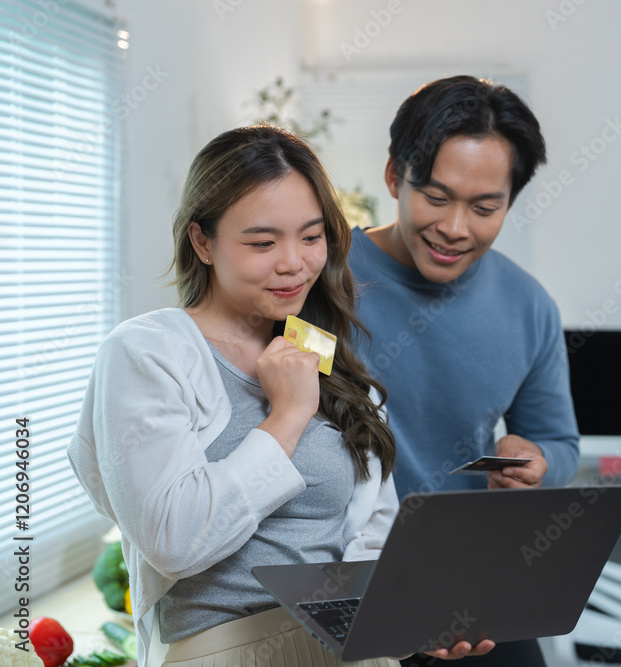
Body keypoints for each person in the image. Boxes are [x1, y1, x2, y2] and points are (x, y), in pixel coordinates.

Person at [67, 126, 479, 667]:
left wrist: (413, 621)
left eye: (311, 237)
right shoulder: (147, 353)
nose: (294, 263)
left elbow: (372, 536)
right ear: (202, 242)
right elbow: (173, 539)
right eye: (263, 242)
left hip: (348, 646)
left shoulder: (319, 353)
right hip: (224, 650)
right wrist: (286, 416)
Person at [347, 76, 581, 666]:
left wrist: (538, 463)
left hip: (470, 584)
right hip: (346, 580)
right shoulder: (319, 282)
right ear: (394, 177)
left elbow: (560, 443)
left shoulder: (529, 306)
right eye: (435, 196)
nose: (456, 228)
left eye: (484, 207)